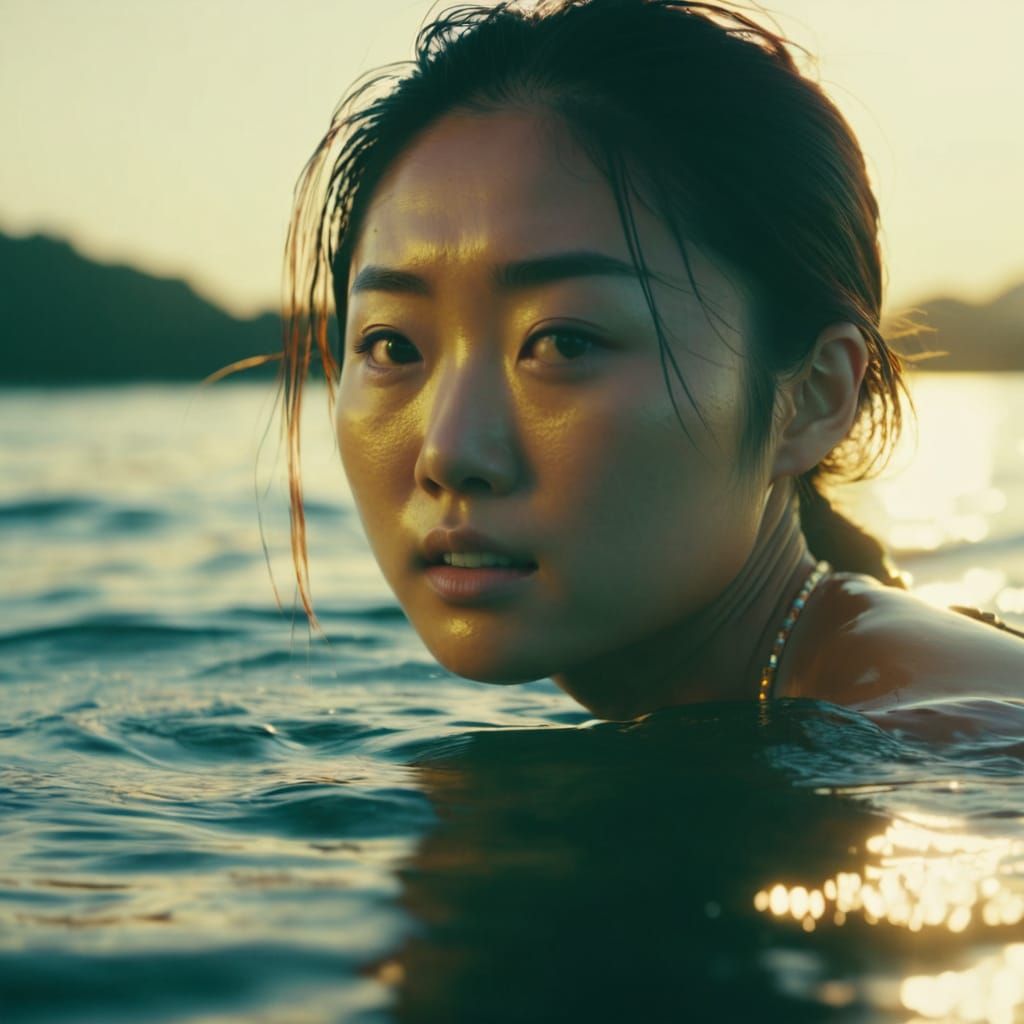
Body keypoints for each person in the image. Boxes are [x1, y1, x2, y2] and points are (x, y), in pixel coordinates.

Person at [278, 0, 1024, 722]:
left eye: (562, 342)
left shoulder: (948, 733)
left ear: (812, 398)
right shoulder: (811, 704)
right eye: (393, 346)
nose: (449, 454)